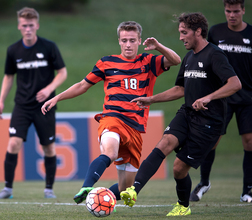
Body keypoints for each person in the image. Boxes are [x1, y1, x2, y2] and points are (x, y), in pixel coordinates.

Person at [41, 21, 181, 204]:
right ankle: (86, 186)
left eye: (132, 40)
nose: (128, 44)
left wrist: (159, 47)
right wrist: (57, 98)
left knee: (124, 188)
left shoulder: (148, 62)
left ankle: (98, 199)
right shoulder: (107, 62)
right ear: (119, 41)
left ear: (139, 41)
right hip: (112, 118)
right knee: (110, 152)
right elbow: (83, 85)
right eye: (124, 40)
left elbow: (176, 60)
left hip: (136, 128)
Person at [120, 12, 242, 216]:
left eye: (184, 33)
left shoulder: (215, 55)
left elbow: (235, 83)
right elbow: (180, 89)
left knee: (178, 168)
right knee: (164, 143)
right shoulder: (189, 57)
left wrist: (208, 97)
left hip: (209, 122)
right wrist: (151, 99)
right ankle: (133, 191)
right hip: (187, 113)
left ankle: (183, 206)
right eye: (180, 32)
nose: (180, 37)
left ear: (198, 32)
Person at [0, 7, 67, 199]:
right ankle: (7, 189)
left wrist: (49, 89)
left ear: (37, 25)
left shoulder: (49, 47)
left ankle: (49, 189)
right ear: (19, 26)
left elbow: (62, 73)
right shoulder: (13, 50)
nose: (28, 29)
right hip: (22, 106)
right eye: (24, 26)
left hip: (44, 106)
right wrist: (1, 101)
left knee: (48, 147)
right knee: (13, 143)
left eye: (31, 25)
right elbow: (8, 77)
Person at [190, 0, 252, 203]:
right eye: (228, 11)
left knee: (249, 141)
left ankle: (247, 190)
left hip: (248, 98)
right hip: (221, 98)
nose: (231, 15)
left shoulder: (250, 34)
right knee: (212, 140)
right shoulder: (215, 33)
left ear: (243, 10)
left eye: (235, 11)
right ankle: (204, 182)